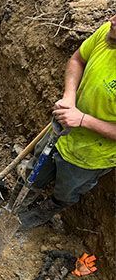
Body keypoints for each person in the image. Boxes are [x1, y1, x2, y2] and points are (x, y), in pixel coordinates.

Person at [17, 14, 116, 229]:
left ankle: (47, 209)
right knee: (36, 169)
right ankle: (19, 203)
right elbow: (77, 60)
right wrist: (69, 96)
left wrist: (83, 120)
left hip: (90, 157)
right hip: (62, 130)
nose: (112, 19)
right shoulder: (109, 32)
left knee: (66, 190)